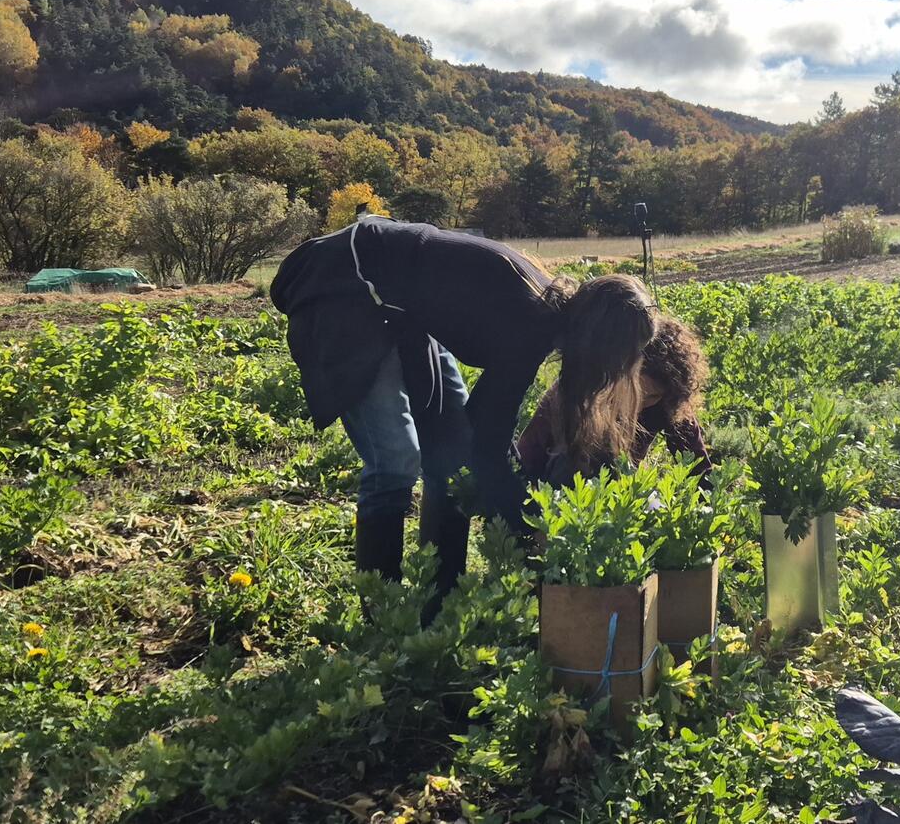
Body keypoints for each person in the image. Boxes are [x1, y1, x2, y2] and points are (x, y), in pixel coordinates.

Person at [270, 217, 656, 600]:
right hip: (346, 285)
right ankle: (383, 608)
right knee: (395, 462)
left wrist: (514, 497)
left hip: (405, 309)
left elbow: (485, 429)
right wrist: (525, 525)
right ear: (601, 344)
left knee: (450, 459)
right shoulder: (529, 321)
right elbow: (487, 440)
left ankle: (441, 594)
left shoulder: (548, 314)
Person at [516, 315, 712, 485]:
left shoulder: (668, 402)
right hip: (561, 484)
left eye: (652, 396)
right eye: (634, 391)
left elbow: (697, 465)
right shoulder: (579, 388)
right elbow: (529, 452)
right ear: (620, 373)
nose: (639, 402)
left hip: (621, 488)